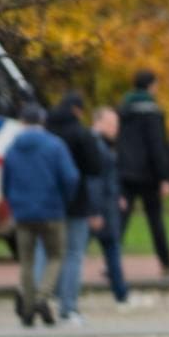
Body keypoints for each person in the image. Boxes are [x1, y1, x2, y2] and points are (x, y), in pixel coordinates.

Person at [0, 103, 77, 327]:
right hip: (52, 211)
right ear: (42, 121)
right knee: (55, 256)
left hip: (23, 213)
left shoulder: (12, 148)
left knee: (26, 261)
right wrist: (63, 200)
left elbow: (5, 183)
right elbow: (70, 177)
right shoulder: (55, 145)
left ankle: (27, 308)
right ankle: (43, 298)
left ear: (22, 122)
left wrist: (14, 202)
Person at [45, 93, 104, 324]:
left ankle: (42, 297)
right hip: (77, 202)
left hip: (48, 202)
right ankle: (68, 308)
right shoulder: (81, 133)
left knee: (47, 253)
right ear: (78, 110)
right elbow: (95, 166)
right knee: (73, 254)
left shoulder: (46, 130)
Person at [117, 69, 169, 276]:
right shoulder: (152, 111)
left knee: (121, 221)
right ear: (151, 85)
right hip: (149, 175)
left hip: (125, 172)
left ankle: (112, 262)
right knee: (155, 220)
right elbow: (157, 146)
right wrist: (164, 177)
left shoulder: (123, 109)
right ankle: (166, 262)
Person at [89, 106, 134, 308]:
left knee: (112, 250)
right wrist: (96, 210)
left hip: (106, 206)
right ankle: (121, 294)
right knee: (75, 252)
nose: (116, 128)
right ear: (98, 122)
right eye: (112, 124)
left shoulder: (102, 145)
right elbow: (95, 181)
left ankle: (121, 293)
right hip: (101, 209)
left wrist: (117, 196)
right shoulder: (96, 146)